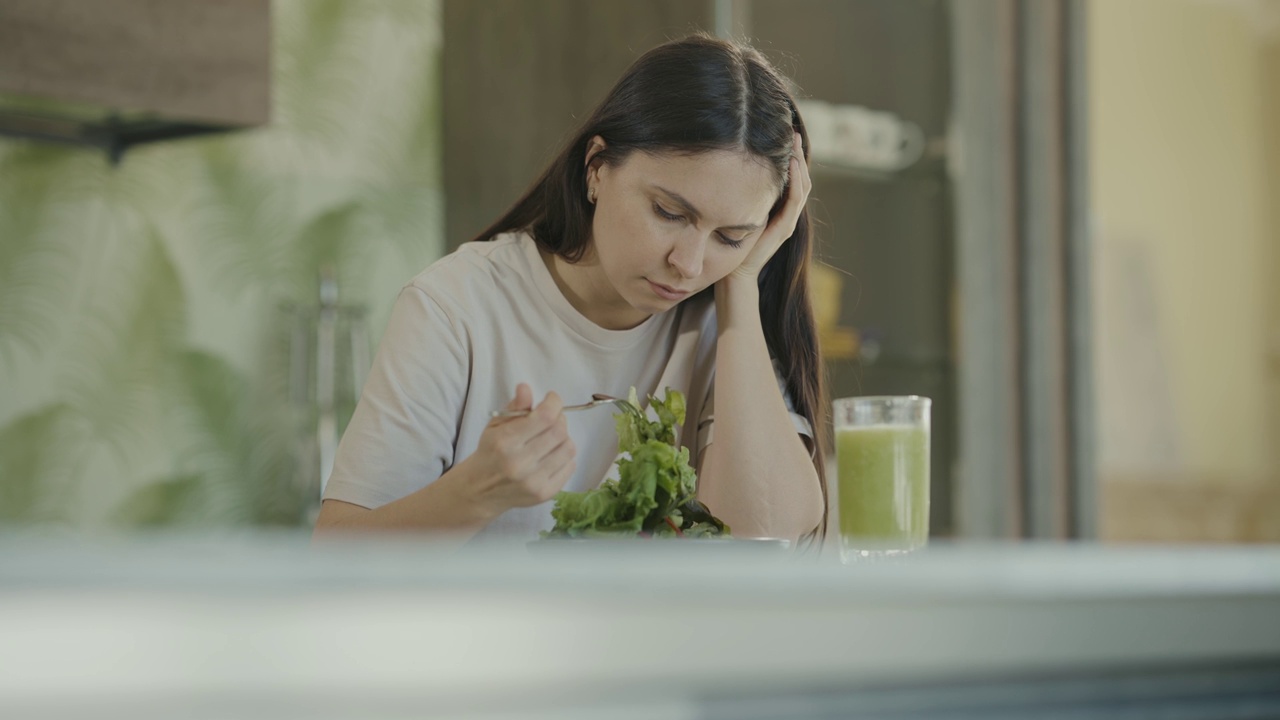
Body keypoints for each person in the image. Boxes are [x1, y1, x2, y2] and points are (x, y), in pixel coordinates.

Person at [313, 33, 828, 546]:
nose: (689, 265)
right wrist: (476, 492)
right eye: (669, 213)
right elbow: (334, 556)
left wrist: (739, 287)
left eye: (731, 236)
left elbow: (765, 534)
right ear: (597, 169)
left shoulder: (724, 325)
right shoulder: (456, 306)